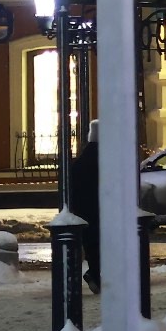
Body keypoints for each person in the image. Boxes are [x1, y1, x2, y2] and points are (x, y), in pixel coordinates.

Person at [67, 119, 102, 292]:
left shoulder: (81, 161)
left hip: (84, 210)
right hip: (101, 208)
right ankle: (96, 275)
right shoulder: (104, 159)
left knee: (92, 245)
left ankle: (95, 274)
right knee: (102, 244)